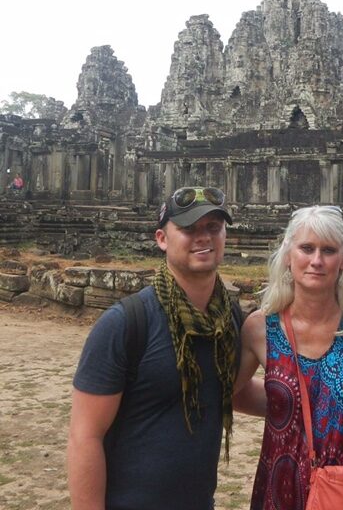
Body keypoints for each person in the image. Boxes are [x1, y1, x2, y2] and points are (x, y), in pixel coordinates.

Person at [67, 186, 262, 510]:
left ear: (225, 235)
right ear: (161, 238)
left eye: (213, 227)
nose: (203, 237)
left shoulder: (226, 316)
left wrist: (306, 401)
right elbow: (84, 436)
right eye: (188, 228)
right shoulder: (125, 324)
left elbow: (225, 389)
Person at [235, 205, 343, 510]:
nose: (316, 260)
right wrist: (285, 406)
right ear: (289, 255)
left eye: (328, 250)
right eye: (306, 248)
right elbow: (229, 393)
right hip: (284, 484)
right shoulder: (260, 328)